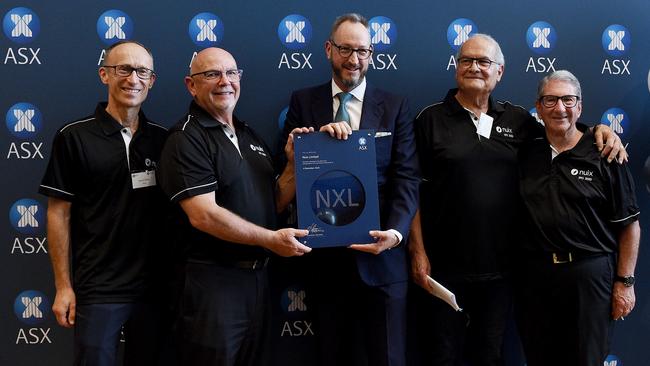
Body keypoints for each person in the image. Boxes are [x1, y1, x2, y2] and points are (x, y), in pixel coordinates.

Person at [409, 34, 626, 366]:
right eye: (466, 60)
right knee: (443, 356)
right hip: (444, 270)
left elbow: (563, 129)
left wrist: (600, 130)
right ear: (456, 68)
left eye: (484, 62)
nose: (474, 68)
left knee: (490, 355)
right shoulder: (429, 119)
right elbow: (412, 191)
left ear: (500, 72)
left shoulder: (518, 120)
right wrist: (419, 253)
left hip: (504, 272)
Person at [156, 47, 312, 366]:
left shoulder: (248, 135)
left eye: (231, 73)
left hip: (257, 282)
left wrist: (295, 166)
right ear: (191, 85)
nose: (224, 81)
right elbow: (203, 215)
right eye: (212, 74)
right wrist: (270, 240)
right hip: (212, 283)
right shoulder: (186, 139)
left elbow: (273, 203)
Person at [281, 13, 419, 366]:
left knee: (389, 358)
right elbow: (294, 173)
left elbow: (406, 178)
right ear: (329, 49)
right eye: (345, 49)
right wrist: (302, 147)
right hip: (326, 263)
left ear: (372, 54)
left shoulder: (395, 105)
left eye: (362, 51)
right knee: (332, 356)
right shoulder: (302, 102)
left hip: (383, 261)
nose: (354, 60)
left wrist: (397, 234)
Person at [39, 40, 170, 365]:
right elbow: (58, 214)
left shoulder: (164, 139)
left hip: (155, 289)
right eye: (123, 69)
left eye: (142, 71)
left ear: (152, 81)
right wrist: (63, 287)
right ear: (104, 75)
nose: (133, 79)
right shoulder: (73, 137)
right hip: (98, 289)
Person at [516, 70, 640, 366]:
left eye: (568, 100)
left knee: (586, 358)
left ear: (580, 106)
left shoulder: (605, 152)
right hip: (536, 276)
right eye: (551, 100)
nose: (560, 108)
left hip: (590, 275)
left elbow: (630, 225)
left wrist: (625, 282)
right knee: (539, 356)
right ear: (539, 106)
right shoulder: (525, 152)